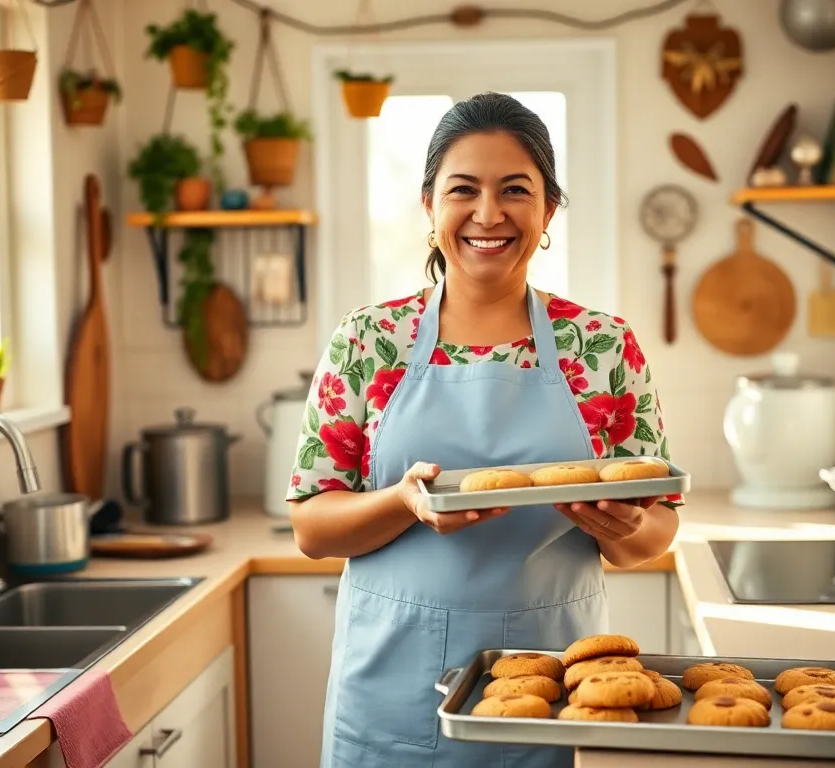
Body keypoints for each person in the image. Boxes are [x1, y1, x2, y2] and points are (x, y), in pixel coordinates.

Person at [287, 91, 683, 768]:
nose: (488, 214)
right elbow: (311, 527)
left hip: (559, 689)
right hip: (392, 692)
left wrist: (621, 528)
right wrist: (405, 504)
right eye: (463, 189)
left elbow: (657, 528)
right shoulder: (368, 341)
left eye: (515, 191)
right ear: (430, 206)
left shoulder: (604, 347)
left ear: (549, 210)